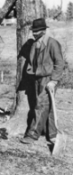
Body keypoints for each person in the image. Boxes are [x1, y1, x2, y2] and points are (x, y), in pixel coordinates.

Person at [20, 18, 65, 149]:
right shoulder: (34, 44)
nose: (34, 33)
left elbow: (59, 63)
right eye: (33, 31)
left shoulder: (52, 43)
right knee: (47, 106)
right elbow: (32, 61)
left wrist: (54, 80)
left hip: (48, 79)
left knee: (41, 105)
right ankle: (52, 133)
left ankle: (32, 135)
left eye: (37, 31)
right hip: (36, 78)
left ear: (44, 31)